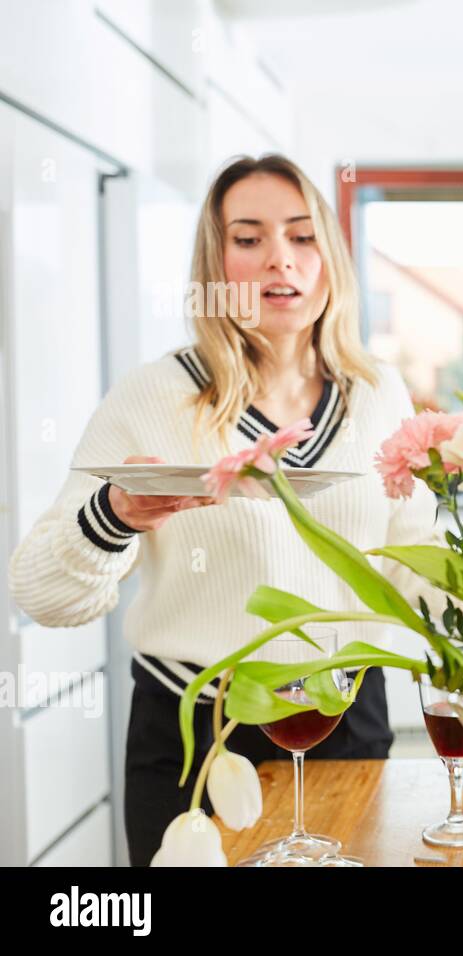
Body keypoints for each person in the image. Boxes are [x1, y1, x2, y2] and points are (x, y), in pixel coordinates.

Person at [8, 154, 440, 865]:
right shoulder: (152, 397)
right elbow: (38, 592)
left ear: (330, 257)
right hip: (198, 736)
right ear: (215, 263)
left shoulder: (377, 392)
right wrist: (115, 513)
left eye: (303, 237)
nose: (281, 260)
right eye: (249, 238)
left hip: (345, 722)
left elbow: (414, 563)